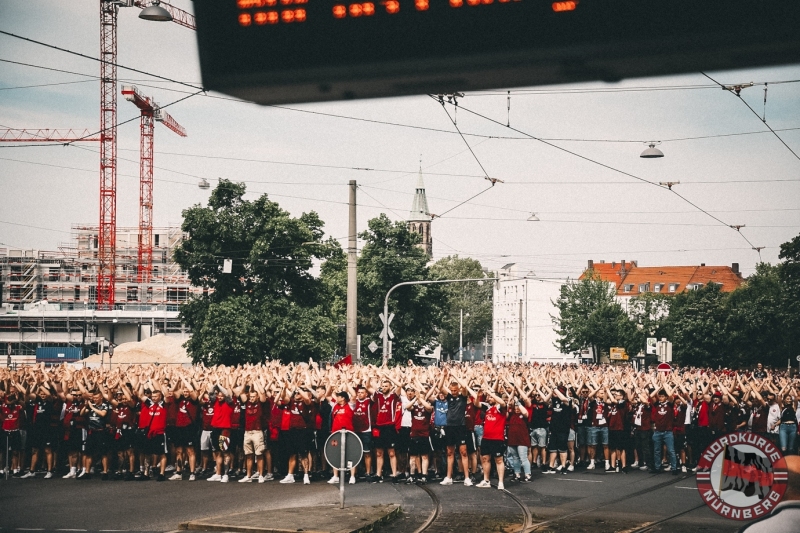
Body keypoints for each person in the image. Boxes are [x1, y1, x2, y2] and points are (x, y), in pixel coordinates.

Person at [475, 387, 506, 490]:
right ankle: (486, 480)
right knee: (485, 459)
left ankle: (501, 482)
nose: (489, 397)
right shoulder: (487, 407)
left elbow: (502, 403)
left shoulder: (500, 407)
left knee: (499, 460)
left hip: (497, 438)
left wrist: (490, 392)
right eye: (488, 396)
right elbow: (477, 404)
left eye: (491, 396)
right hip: (486, 438)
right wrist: (478, 395)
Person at [328, 390, 357, 484]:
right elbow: (327, 395)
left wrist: (345, 382)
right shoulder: (334, 405)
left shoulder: (350, 405)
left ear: (343, 398)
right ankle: (335, 476)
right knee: (335, 453)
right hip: (336, 433)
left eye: (338, 396)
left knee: (351, 454)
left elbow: (353, 395)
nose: (336, 398)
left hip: (348, 433)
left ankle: (352, 476)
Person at [650, 387, 678, 475]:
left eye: (662, 396)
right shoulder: (657, 404)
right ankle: (657, 467)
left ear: (665, 397)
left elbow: (670, 395)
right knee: (657, 450)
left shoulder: (670, 404)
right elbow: (651, 396)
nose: (661, 398)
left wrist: (664, 386)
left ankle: (674, 468)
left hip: (667, 431)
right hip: (658, 431)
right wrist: (658, 388)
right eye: (660, 396)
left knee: (671, 450)